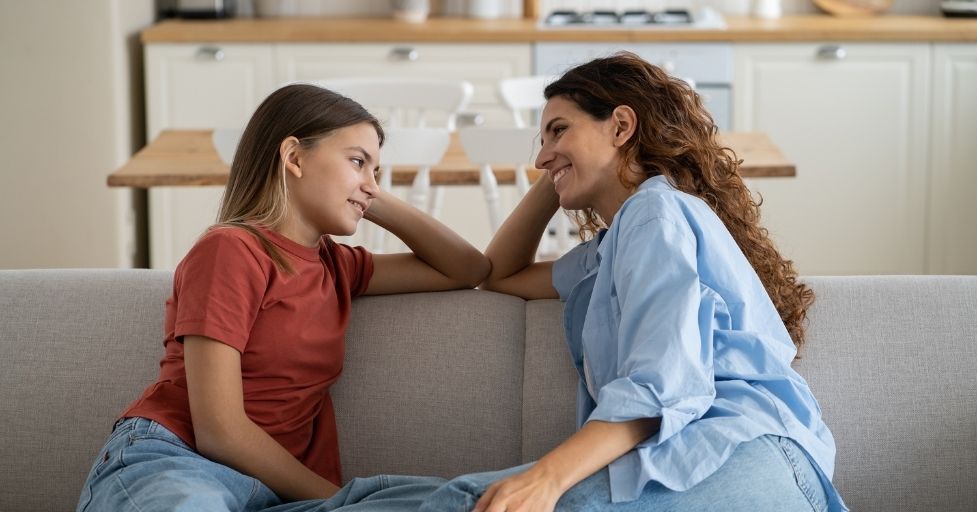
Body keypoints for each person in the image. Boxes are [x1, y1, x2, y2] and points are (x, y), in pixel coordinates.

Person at [418, 52, 848, 511]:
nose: (540, 157)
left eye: (559, 129)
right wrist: (561, 167)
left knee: (469, 503)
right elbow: (500, 273)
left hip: (745, 452)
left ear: (621, 127)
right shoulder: (615, 245)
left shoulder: (655, 214)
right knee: (441, 497)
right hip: (713, 457)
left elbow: (662, 385)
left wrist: (547, 478)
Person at [76, 83, 489, 512]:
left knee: (466, 499)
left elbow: (468, 269)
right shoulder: (231, 250)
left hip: (274, 494)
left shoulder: (337, 266)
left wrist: (369, 194)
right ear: (293, 157)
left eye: (377, 171)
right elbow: (220, 431)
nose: (371, 183)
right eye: (357, 161)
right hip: (180, 462)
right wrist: (339, 500)